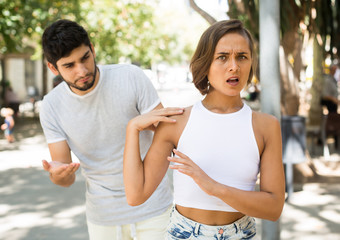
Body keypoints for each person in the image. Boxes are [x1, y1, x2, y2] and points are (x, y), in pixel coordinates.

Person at [124, 19, 285, 239]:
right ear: (205, 64)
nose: (234, 66)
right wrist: (132, 129)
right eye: (222, 57)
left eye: (242, 57)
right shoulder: (177, 122)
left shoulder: (266, 126)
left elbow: (274, 208)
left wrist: (214, 188)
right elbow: (136, 195)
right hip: (184, 233)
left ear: (251, 64)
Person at [40, 19, 182, 240]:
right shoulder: (51, 106)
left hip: (154, 208)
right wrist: (57, 175)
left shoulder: (130, 76)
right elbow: (65, 177)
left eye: (85, 58)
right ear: (53, 68)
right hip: (103, 218)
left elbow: (167, 132)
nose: (82, 70)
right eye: (69, 65)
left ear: (93, 49)